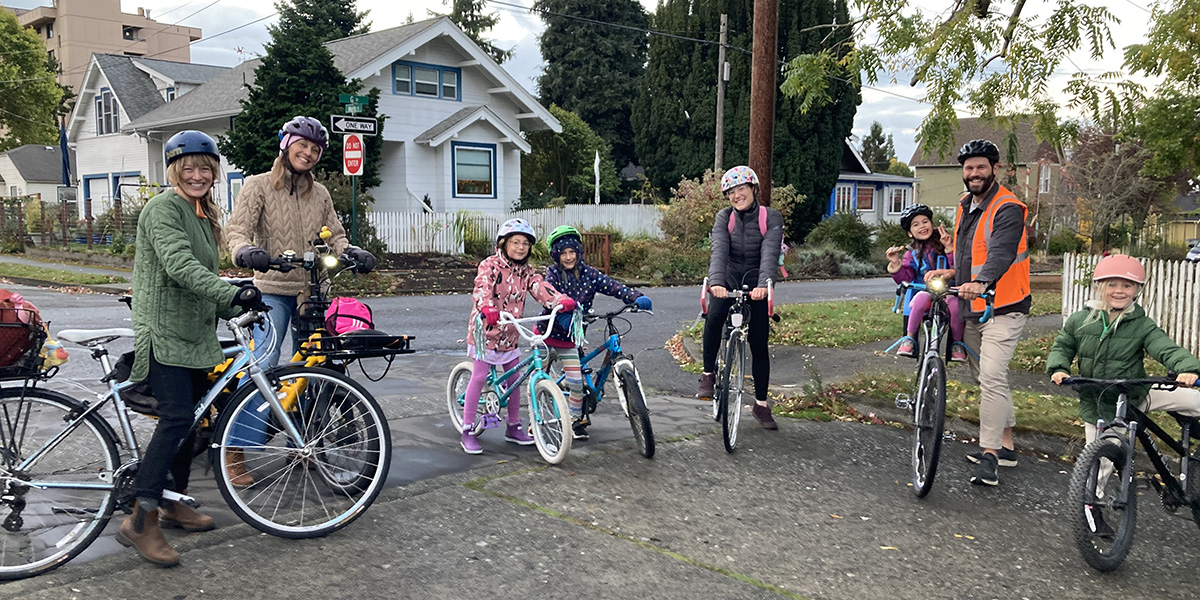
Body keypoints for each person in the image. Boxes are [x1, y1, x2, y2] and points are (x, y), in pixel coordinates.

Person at [120, 130, 265, 566]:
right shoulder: (163, 209)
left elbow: (202, 277)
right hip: (164, 333)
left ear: (214, 172)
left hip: (194, 335)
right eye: (188, 169)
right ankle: (140, 520)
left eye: (205, 168)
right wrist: (232, 293)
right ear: (174, 172)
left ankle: (171, 500)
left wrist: (236, 304)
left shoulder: (202, 213)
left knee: (195, 420)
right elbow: (180, 267)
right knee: (177, 419)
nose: (197, 175)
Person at [223, 116, 376, 486]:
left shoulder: (319, 194)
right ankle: (234, 449)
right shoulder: (258, 185)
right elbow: (237, 229)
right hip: (272, 288)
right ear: (286, 145)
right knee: (264, 362)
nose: (307, 153)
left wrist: (350, 251)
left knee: (314, 364)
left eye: (315, 149)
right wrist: (245, 250)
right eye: (302, 145)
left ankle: (301, 442)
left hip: (312, 291)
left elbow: (335, 235)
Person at [1047, 254, 1200, 444]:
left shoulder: (1142, 324)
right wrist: (1059, 369)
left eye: (1127, 286)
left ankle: (1189, 424)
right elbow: (1062, 347)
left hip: (1136, 394)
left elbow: (1166, 349)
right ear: (1098, 287)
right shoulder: (1079, 321)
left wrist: (1187, 369)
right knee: (1100, 457)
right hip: (1097, 403)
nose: (1119, 291)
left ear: (1136, 290)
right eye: (1111, 285)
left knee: (1194, 400)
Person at [951, 139, 1032, 487]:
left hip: (1005, 306)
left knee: (992, 377)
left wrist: (982, 281)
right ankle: (1007, 445)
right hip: (974, 306)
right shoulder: (965, 205)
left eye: (981, 167)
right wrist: (951, 274)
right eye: (969, 168)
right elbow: (968, 254)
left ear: (994, 169)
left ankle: (990, 455)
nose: (974, 173)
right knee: (987, 379)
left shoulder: (1008, 207)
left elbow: (1000, 252)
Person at [460, 218, 576, 454]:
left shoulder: (527, 272)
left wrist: (559, 300)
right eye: (515, 242)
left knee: (515, 379)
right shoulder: (490, 265)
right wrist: (487, 307)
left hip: (510, 333)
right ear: (504, 244)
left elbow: (540, 288)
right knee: (479, 376)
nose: (521, 247)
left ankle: (513, 426)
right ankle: (467, 430)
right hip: (486, 330)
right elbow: (482, 288)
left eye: (525, 243)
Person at [539, 226, 653, 440]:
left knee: (576, 382)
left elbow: (612, 286)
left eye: (572, 252)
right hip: (548, 334)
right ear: (556, 255)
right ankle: (537, 420)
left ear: (579, 252)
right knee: (539, 379)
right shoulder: (553, 274)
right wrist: (563, 316)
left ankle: (575, 420)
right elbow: (549, 295)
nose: (568, 257)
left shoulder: (589, 274)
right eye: (563, 253)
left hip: (572, 339)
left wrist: (635, 297)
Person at [697, 165, 784, 430]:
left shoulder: (770, 217)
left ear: (753, 189)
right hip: (729, 277)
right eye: (731, 192)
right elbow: (719, 251)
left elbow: (770, 253)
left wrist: (763, 286)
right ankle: (708, 374)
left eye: (741, 189)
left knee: (759, 340)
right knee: (714, 316)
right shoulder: (724, 217)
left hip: (757, 280)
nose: (736, 195)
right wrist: (716, 282)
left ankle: (761, 405)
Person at [886, 204, 968, 362]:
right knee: (921, 298)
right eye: (916, 224)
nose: (922, 226)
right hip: (924, 294)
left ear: (932, 224)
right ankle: (909, 339)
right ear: (910, 233)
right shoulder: (912, 253)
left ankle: (957, 344)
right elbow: (906, 278)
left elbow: (957, 268)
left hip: (946, 293)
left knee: (955, 305)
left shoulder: (945, 243)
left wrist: (949, 248)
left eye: (925, 222)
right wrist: (895, 263)